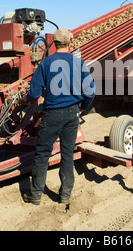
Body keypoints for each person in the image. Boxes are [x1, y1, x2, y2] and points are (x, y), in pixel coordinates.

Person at [23, 28, 95, 205]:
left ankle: (36, 195)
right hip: (72, 114)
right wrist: (82, 109)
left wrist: (25, 99)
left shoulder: (45, 64)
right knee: (67, 154)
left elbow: (34, 92)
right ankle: (65, 195)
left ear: (54, 44)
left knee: (42, 154)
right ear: (69, 43)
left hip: (52, 114)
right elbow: (90, 92)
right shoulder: (79, 63)